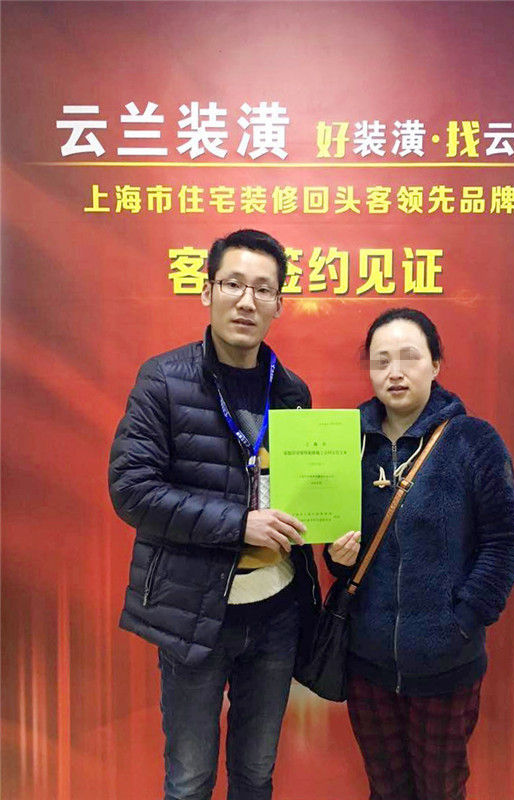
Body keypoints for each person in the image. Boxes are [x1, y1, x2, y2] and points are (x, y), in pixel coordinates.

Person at [109, 229, 320, 800]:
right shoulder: (163, 380)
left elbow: (303, 494)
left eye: (263, 289)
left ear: (279, 303)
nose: (247, 301)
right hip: (195, 616)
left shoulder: (293, 392)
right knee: (189, 779)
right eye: (233, 284)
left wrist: (331, 529)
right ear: (208, 291)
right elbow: (132, 490)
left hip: (277, 614)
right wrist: (239, 523)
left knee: (255, 775)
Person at [326, 308, 514, 800]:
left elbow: (504, 543)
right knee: (385, 788)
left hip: (446, 665)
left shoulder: (473, 441)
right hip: (367, 662)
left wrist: (463, 621)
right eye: (381, 361)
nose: (394, 372)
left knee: (441, 788)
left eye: (409, 357)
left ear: (435, 364)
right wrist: (336, 558)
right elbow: (334, 542)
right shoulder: (346, 442)